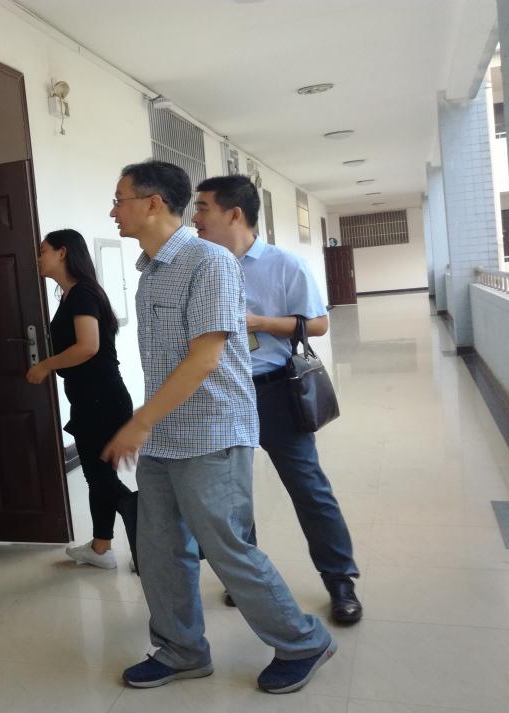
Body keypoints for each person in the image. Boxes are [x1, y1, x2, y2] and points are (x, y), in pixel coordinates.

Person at [102, 160, 335, 695]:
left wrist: (139, 421)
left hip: (211, 430)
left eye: (120, 200)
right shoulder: (150, 270)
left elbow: (204, 359)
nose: (114, 211)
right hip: (164, 434)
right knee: (159, 548)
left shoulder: (209, 262)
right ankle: (181, 648)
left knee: (227, 547)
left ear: (153, 203)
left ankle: (303, 641)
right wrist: (149, 424)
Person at [192, 175, 362, 624]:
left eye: (203, 207)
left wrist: (260, 322)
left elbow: (318, 324)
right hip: (223, 394)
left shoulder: (284, 265)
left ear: (234, 213)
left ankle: (340, 579)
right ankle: (246, 579)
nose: (195, 217)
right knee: (230, 494)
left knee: (308, 487)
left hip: (274, 390)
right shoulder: (202, 265)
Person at [26, 229, 139, 571]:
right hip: (93, 398)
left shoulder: (82, 294)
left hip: (101, 399)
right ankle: (101, 548)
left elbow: (88, 346)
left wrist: (45, 365)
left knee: (100, 478)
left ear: (62, 252)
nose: (38, 258)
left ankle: (147, 534)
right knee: (98, 476)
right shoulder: (73, 295)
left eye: (43, 251)